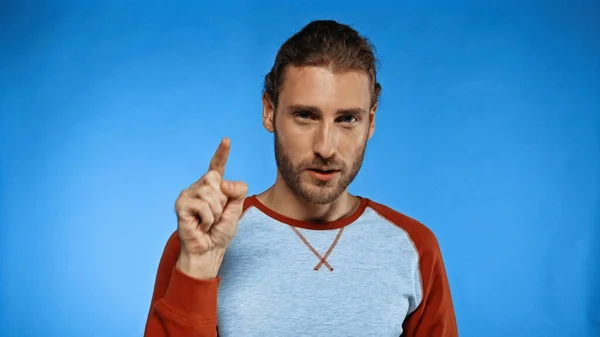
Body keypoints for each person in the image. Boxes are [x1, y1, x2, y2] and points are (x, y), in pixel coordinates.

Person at [143, 19, 458, 337]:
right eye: (306, 116)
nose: (325, 147)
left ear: (371, 121)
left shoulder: (414, 247)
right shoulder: (199, 241)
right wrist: (198, 268)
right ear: (269, 111)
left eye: (347, 119)